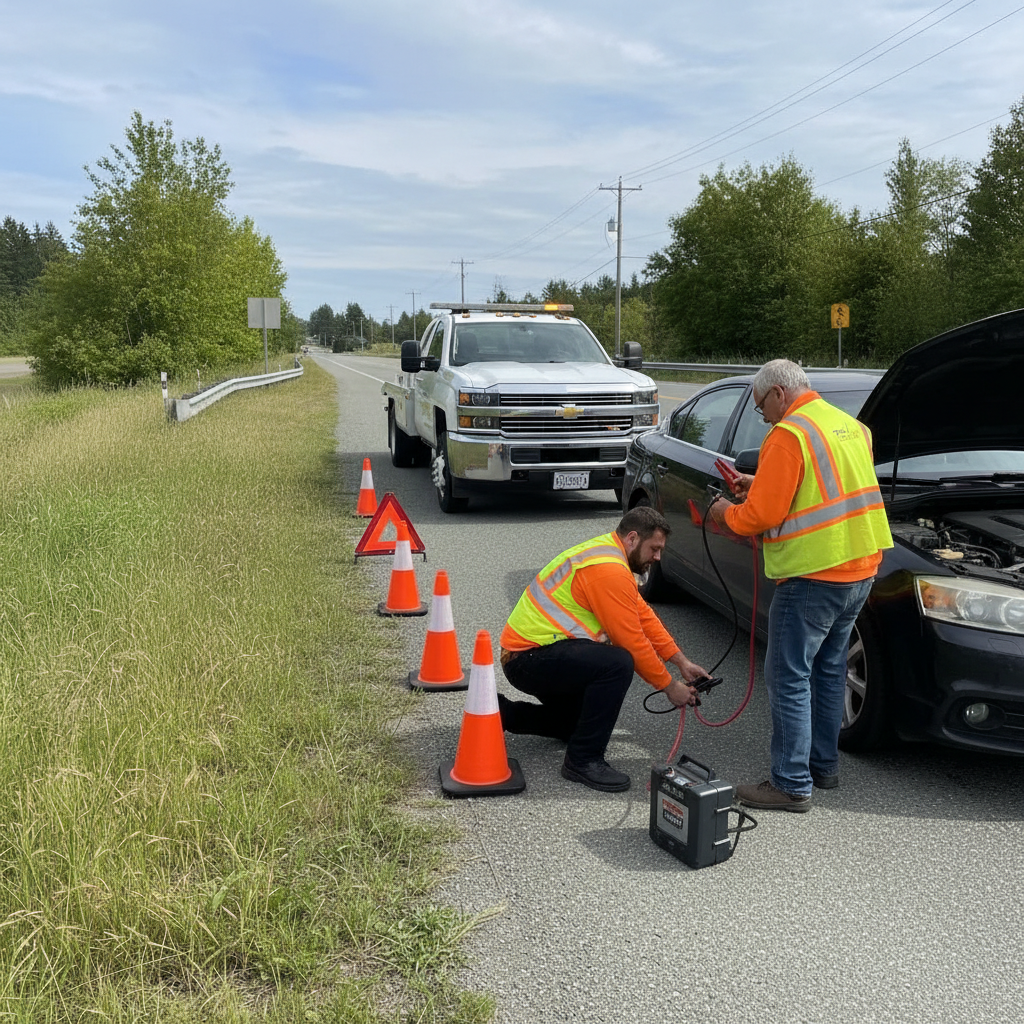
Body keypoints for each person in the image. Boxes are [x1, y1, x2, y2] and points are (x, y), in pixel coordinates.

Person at [709, 359, 893, 812]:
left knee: (788, 677)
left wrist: (722, 514)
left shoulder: (789, 435)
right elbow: (825, 486)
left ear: (778, 394)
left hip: (813, 575)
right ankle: (823, 766)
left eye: (761, 408)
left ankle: (791, 784)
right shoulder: (852, 427)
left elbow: (760, 517)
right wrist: (761, 481)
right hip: (861, 568)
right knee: (829, 669)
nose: (764, 417)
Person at [498, 506, 709, 793]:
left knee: (577, 723)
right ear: (633, 539)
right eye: (655, 549)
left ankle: (502, 713)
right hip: (527, 659)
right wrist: (670, 686)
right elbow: (631, 640)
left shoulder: (610, 556)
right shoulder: (608, 570)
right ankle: (583, 760)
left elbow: (643, 616)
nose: (657, 558)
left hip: (536, 655)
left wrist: (680, 661)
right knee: (618, 662)